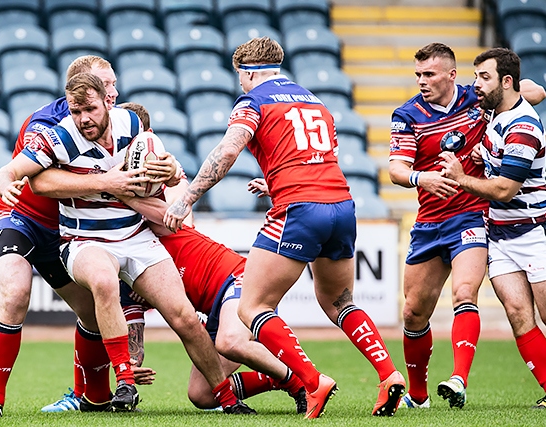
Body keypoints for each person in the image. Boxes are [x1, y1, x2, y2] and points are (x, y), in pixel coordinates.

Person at [163, 36, 406, 419]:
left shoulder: (253, 100)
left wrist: (186, 197)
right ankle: (388, 373)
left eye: (240, 76)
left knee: (253, 306)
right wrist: (276, 180)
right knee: (340, 302)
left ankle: (311, 381)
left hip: (298, 209)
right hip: (341, 204)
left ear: (247, 72)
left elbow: (227, 151)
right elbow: (321, 159)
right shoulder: (316, 101)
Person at [0, 73, 255, 414]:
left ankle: (226, 398)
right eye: (75, 111)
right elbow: (14, 172)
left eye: (89, 109)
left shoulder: (132, 122)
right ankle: (125, 384)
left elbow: (169, 168)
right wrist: (5, 184)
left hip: (136, 238)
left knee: (185, 318)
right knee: (103, 280)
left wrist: (170, 169)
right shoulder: (58, 138)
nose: (83, 119)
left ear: (107, 101)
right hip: (84, 240)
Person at [0, 55, 177, 418]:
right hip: (19, 217)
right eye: (108, 84)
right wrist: (106, 183)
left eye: (114, 84)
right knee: (16, 292)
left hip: (67, 228)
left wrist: (172, 172)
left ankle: (89, 396)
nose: (114, 92)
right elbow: (38, 180)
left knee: (93, 311)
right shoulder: (51, 124)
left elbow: (145, 167)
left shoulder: (116, 120)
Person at [388, 43, 546, 410]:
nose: (422, 81)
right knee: (413, 312)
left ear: (451, 75)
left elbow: (534, 92)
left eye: (429, 74)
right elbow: (396, 168)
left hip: (472, 215)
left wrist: (517, 99)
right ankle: (419, 395)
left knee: (464, 292)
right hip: (429, 221)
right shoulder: (407, 113)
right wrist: (419, 178)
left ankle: (459, 380)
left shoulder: (479, 98)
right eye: (418, 75)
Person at [439, 47, 546, 410]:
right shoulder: (497, 108)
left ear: (505, 82)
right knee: (517, 312)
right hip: (500, 233)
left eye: (484, 77)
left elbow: (505, 189)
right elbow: (533, 90)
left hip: (534, 232)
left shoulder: (523, 126)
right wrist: (485, 156)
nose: (475, 84)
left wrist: (462, 178)